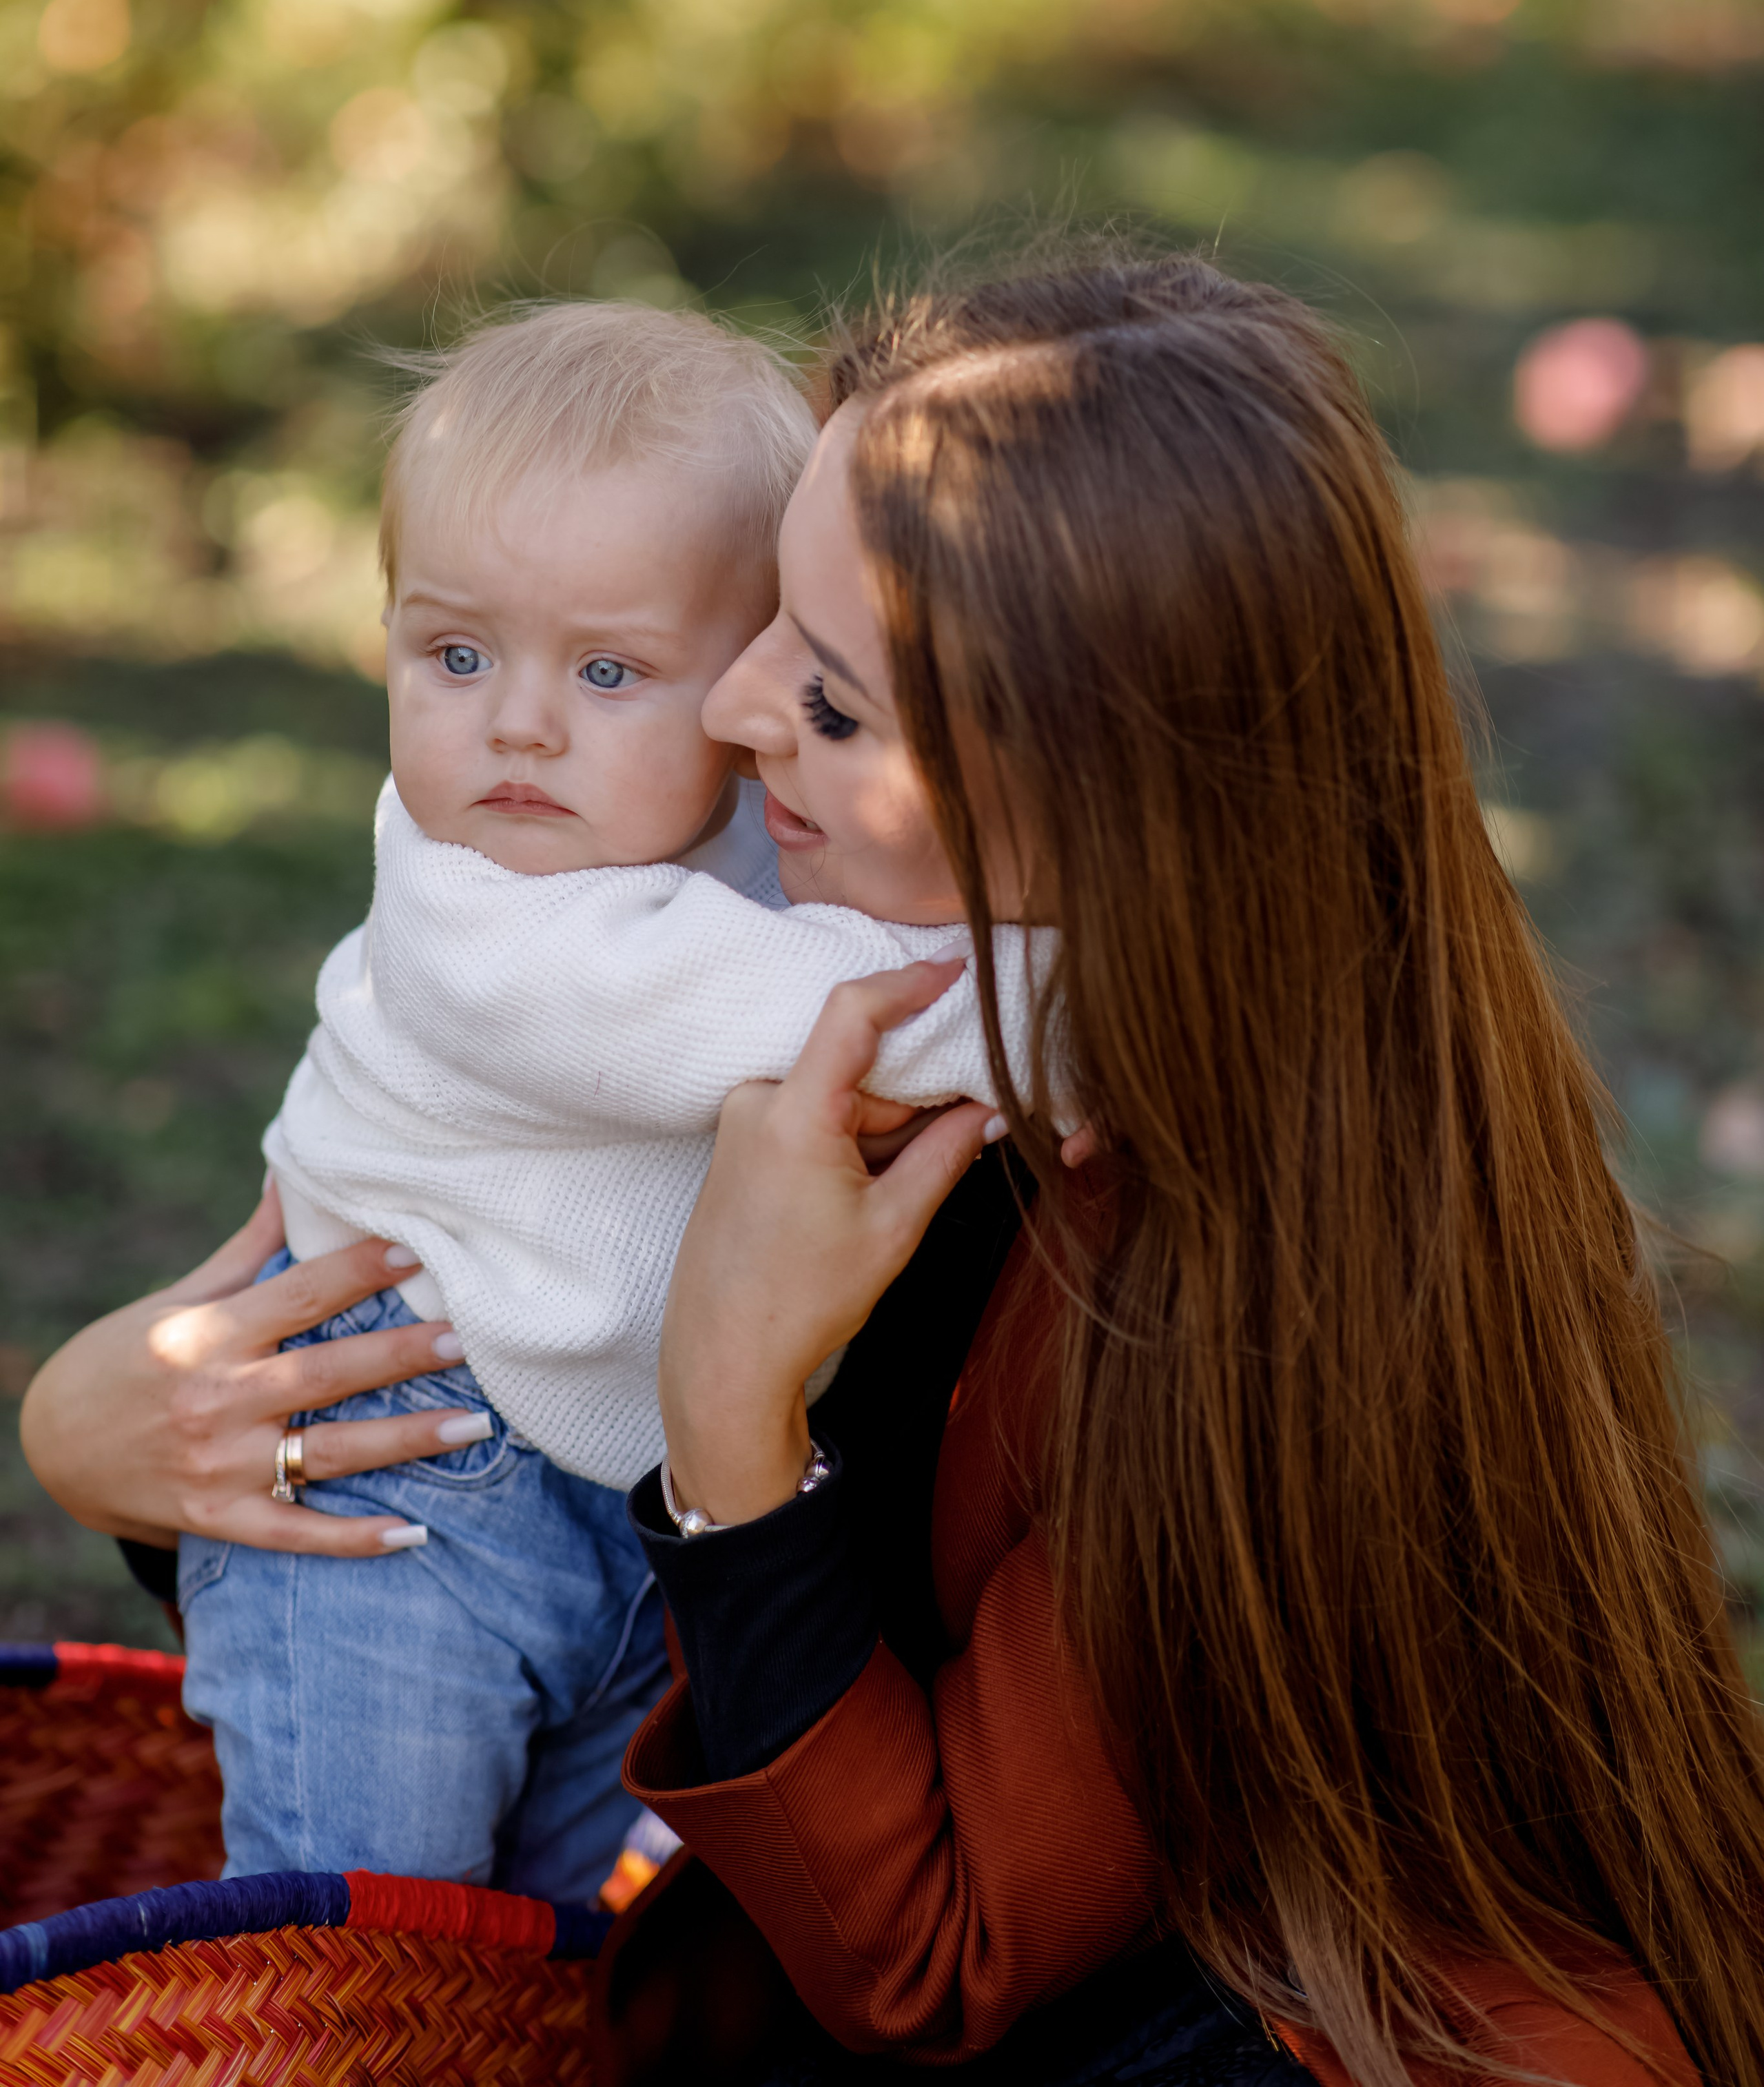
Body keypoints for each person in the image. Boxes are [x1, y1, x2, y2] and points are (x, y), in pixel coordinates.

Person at [25, 255, 1764, 2081]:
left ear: (1099, 800)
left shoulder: (1239, 1277)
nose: (742, 707)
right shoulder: (797, 964)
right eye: (768, 615)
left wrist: (732, 1431)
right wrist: (92, 1424)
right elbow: (427, 1433)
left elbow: (924, 1956)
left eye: (837, 704)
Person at [171, 299, 1044, 1902]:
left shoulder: (716, 836)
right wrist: (1088, 1004)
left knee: (562, 1950)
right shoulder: (483, 915)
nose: (515, 720)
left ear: (742, 678)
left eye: (606, 668)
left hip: (611, 1500)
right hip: (403, 1477)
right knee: (370, 1929)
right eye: (451, 652)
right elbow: (852, 1015)